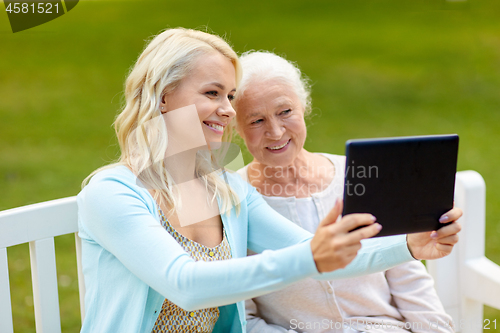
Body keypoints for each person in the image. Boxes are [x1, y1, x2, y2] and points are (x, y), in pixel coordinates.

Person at [77, 28, 462, 333]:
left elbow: (323, 253)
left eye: (229, 95)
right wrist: (311, 256)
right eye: (212, 93)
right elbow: (186, 285)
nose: (228, 110)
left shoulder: (220, 189)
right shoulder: (112, 193)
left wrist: (410, 246)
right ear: (163, 96)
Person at [232, 50, 457, 333]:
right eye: (256, 120)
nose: (276, 132)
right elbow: (244, 320)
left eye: (285, 112)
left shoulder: (363, 174)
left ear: (304, 106)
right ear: (236, 125)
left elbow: (409, 279)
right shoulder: (233, 202)